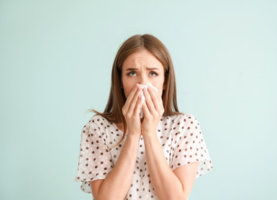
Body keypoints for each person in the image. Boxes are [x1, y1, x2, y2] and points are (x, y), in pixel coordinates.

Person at [74, 34, 213, 200]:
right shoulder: (98, 128)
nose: (142, 84)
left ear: (165, 81)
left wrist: (149, 133)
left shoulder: (184, 125)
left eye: (153, 73)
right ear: (120, 80)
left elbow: (175, 198)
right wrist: (133, 135)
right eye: (132, 73)